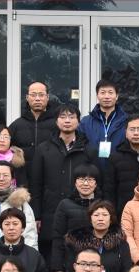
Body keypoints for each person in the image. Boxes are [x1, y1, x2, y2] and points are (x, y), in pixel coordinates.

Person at [30, 104, 93, 257]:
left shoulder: (89, 149)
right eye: (63, 117)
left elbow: (95, 182)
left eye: (71, 117)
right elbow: (36, 185)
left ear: (78, 121)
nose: (67, 121)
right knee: (51, 256)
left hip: (81, 212)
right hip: (49, 212)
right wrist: (36, 216)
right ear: (56, 121)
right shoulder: (43, 149)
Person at [58, 200, 132, 272]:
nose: (100, 219)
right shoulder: (78, 242)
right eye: (96, 215)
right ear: (90, 218)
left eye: (105, 215)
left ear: (111, 219)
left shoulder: (121, 243)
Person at [49, 164, 100, 272]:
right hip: (70, 262)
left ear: (96, 184)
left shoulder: (102, 205)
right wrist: (57, 267)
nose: (85, 184)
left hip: (96, 262)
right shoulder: (64, 204)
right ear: (75, 183)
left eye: (90, 180)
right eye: (81, 179)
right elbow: (58, 236)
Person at [9, 81, 58, 185]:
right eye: (33, 95)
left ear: (47, 97)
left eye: (41, 95)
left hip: (51, 178)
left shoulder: (57, 124)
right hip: (23, 179)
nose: (37, 99)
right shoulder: (16, 125)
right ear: (27, 98)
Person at [79, 79, 129, 170]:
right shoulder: (85, 122)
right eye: (103, 92)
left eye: (110, 92)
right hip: (92, 172)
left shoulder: (127, 121)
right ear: (97, 96)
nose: (106, 96)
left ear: (117, 96)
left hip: (120, 171)